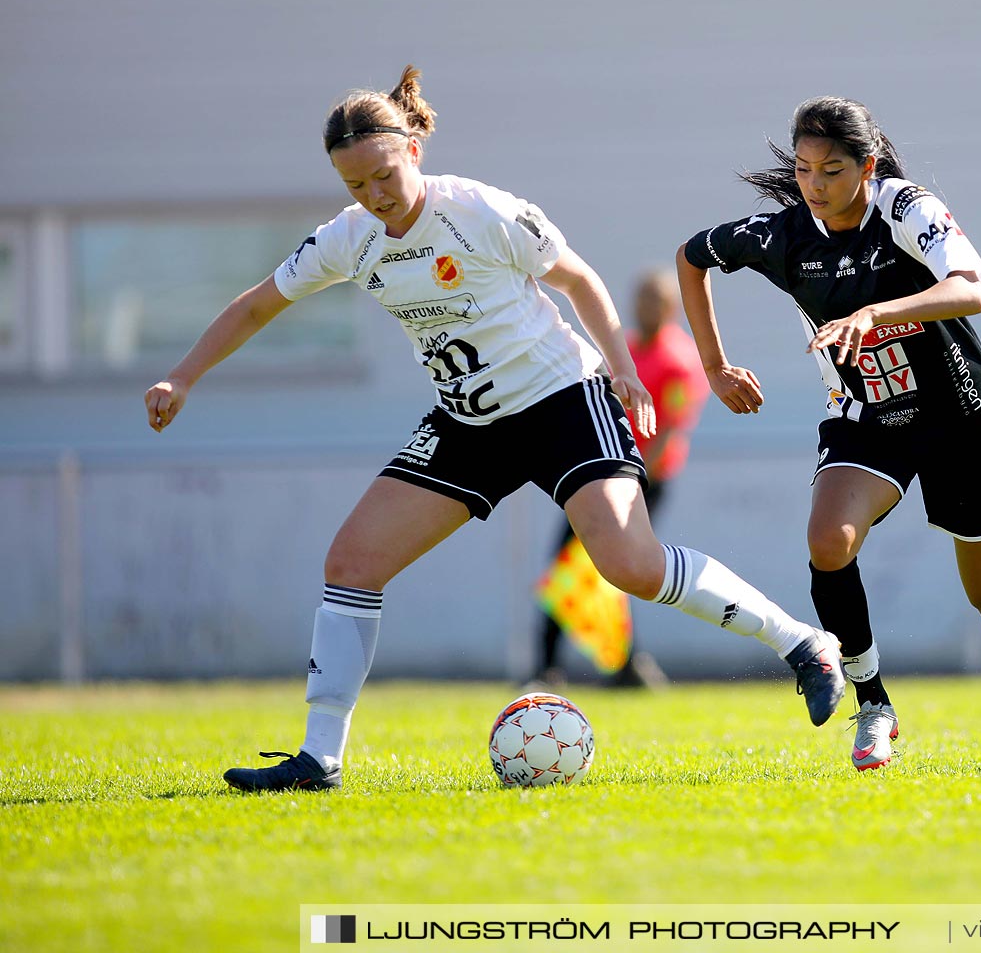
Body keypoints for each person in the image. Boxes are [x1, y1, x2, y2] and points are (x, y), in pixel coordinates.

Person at [143, 67, 843, 792]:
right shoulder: (348, 240)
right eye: (356, 186)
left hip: (562, 400)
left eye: (383, 175)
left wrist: (623, 369)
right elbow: (258, 305)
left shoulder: (480, 211)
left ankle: (803, 643)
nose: (375, 196)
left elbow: (580, 281)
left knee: (628, 565)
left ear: (412, 148)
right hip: (468, 422)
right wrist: (184, 375)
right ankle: (319, 759)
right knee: (350, 565)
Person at [677, 96, 981, 771]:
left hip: (959, 416)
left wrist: (875, 313)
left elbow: (971, 288)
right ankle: (873, 703)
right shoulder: (783, 237)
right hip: (866, 417)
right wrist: (713, 367)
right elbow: (691, 258)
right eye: (803, 169)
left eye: (832, 170)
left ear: (869, 166)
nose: (815, 185)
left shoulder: (905, 207)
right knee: (828, 541)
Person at [530, 270, 706, 688]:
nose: (642, 307)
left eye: (651, 299)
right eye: (639, 298)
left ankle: (598, 664)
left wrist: (635, 485)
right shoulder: (622, 348)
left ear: (670, 308)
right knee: (574, 567)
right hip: (599, 471)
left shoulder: (678, 359)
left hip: (640, 483)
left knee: (614, 568)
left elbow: (670, 431)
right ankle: (573, 665)